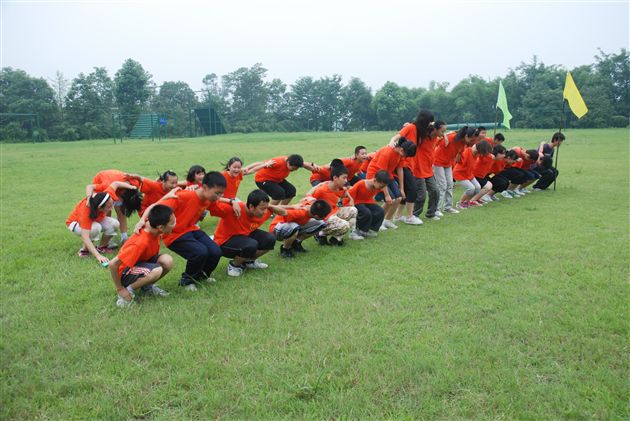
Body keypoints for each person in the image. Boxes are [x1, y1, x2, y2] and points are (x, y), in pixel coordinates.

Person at [137, 171, 229, 291]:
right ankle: (187, 281)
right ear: (205, 187)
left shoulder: (208, 198)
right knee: (200, 252)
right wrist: (142, 221)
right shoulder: (183, 196)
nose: (219, 196)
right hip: (174, 234)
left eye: (221, 193)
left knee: (215, 251)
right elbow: (156, 208)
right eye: (217, 193)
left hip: (191, 229)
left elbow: (220, 205)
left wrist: (232, 202)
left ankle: (201, 276)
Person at [108, 204, 176, 308]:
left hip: (140, 264)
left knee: (167, 261)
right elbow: (113, 264)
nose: (175, 224)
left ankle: (147, 287)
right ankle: (126, 293)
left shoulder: (152, 224)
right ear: (161, 227)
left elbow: (154, 206)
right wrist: (120, 289)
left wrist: (142, 220)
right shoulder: (140, 242)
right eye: (172, 223)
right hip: (125, 273)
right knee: (157, 270)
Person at [211, 189, 287, 276]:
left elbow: (284, 212)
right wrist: (231, 201)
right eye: (262, 209)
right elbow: (210, 199)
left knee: (270, 239)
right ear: (251, 206)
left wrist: (268, 206)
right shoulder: (234, 209)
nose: (265, 212)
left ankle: (248, 262)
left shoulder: (263, 211)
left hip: (245, 237)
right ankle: (234, 265)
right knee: (251, 244)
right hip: (224, 242)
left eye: (266, 208)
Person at [389, 110, 434, 224]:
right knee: (413, 189)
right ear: (424, 121)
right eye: (429, 122)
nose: (430, 124)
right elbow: (396, 136)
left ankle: (398, 216)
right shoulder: (411, 128)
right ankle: (409, 217)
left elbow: (437, 129)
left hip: (410, 165)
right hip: (403, 164)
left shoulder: (420, 132)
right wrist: (391, 143)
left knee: (408, 191)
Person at [366, 138, 417, 229]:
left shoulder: (400, 154)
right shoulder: (387, 153)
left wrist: (401, 188)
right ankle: (377, 222)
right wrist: (386, 194)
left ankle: (387, 220)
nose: (405, 157)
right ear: (402, 149)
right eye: (406, 155)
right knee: (390, 200)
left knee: (399, 198)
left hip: (387, 175)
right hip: (376, 176)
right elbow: (381, 175)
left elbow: (400, 169)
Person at [66, 186, 122, 264]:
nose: (112, 208)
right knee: (95, 228)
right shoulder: (86, 211)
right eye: (109, 207)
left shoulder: (105, 197)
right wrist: (98, 256)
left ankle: (102, 247)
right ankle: (84, 251)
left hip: (95, 219)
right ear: (100, 208)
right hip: (76, 223)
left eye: (112, 204)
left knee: (114, 223)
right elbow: (85, 237)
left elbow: (90, 186)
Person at [86, 169, 143, 244]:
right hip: (103, 181)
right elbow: (89, 187)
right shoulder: (107, 186)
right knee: (106, 211)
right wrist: (89, 198)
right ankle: (108, 239)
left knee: (121, 212)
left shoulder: (134, 185)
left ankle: (124, 237)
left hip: (116, 181)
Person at [309, 160, 359, 245]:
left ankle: (336, 239)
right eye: (344, 178)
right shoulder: (321, 190)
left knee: (353, 211)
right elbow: (309, 201)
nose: (346, 180)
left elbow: (345, 192)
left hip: (334, 212)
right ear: (335, 178)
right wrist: (315, 220)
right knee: (345, 225)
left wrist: (351, 199)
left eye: (346, 178)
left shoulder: (339, 187)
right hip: (324, 218)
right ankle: (320, 233)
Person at [253, 154, 320, 205]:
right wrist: (249, 170)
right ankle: (269, 211)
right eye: (292, 168)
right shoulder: (277, 162)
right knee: (279, 193)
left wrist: (315, 166)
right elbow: (261, 164)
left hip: (277, 179)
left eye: (296, 169)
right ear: (288, 163)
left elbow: (306, 164)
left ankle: (281, 208)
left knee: (291, 191)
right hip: (262, 179)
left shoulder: (294, 161)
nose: (294, 170)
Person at [432, 126, 470, 215]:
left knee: (450, 184)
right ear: (465, 135)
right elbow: (435, 143)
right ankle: (436, 209)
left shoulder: (463, 142)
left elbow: (460, 153)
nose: (472, 140)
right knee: (442, 185)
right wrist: (444, 136)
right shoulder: (451, 137)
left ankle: (448, 207)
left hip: (448, 163)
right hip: (438, 162)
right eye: (470, 137)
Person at [347, 170, 390, 237]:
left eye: (383, 186)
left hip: (368, 201)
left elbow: (384, 187)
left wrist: (387, 195)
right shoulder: (361, 184)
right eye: (381, 186)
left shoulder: (379, 185)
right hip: (356, 202)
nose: (381, 188)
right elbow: (349, 195)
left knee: (380, 211)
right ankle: (356, 231)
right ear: (375, 180)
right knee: (366, 212)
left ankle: (370, 230)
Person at [453, 140, 493, 208]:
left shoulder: (477, 153)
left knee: (477, 187)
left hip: (469, 174)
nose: (484, 155)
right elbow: (458, 160)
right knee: (471, 188)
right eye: (484, 153)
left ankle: (467, 202)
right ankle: (460, 203)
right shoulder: (467, 152)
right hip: (460, 174)